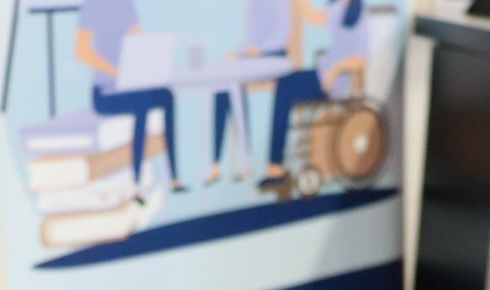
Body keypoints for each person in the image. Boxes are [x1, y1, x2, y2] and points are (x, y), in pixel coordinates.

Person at [74, 0, 186, 199]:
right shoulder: (92, 5)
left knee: (167, 96)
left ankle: (174, 177)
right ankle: (137, 182)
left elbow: (137, 42)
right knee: (141, 103)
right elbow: (81, 51)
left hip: (131, 82)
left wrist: (147, 69)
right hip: (105, 91)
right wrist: (115, 72)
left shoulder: (126, 4)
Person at [258, 0, 367, 191]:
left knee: (284, 89)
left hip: (332, 82)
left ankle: (275, 168)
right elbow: (314, 16)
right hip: (321, 73)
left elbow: (361, 60)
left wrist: (334, 71)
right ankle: (275, 166)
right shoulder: (339, 8)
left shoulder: (361, 18)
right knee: (283, 81)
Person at [205, 0, 292, 186]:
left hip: (274, 54)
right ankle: (216, 163)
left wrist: (259, 51)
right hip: (253, 56)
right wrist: (238, 53)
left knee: (234, 79)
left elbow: (281, 35)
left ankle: (247, 158)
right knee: (223, 83)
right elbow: (251, 34)